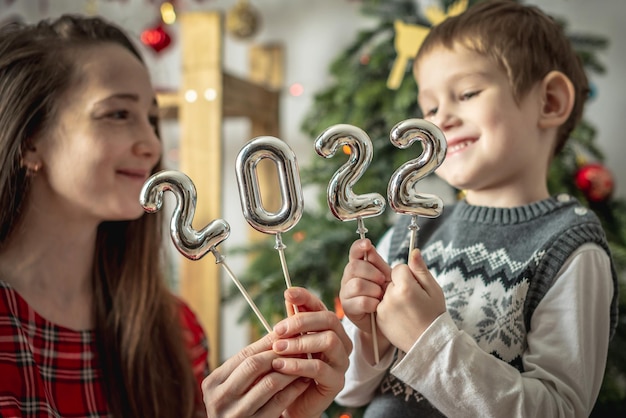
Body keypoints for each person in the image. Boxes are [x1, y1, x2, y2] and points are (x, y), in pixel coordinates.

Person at [0, 14, 351, 418]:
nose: (151, 143)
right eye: (118, 114)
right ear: (30, 142)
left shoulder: (175, 329)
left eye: (152, 119)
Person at [335, 1, 618, 417]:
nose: (441, 119)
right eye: (430, 108)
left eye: (466, 94)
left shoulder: (569, 249)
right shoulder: (405, 234)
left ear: (550, 101)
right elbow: (349, 393)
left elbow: (558, 409)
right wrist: (367, 332)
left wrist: (426, 342)